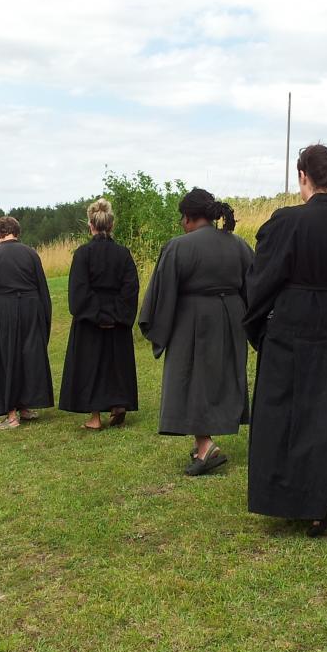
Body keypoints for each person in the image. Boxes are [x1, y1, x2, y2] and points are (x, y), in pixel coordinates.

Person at [244, 144, 327, 537]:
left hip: (290, 325)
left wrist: (258, 323)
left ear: (303, 177)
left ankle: (286, 497)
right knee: (323, 412)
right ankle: (319, 503)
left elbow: (262, 280)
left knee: (282, 411)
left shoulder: (285, 222)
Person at [138, 188, 254, 474]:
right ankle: (205, 441)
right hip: (232, 319)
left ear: (189, 217)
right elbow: (256, 287)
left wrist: (156, 327)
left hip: (194, 321)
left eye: (182, 218)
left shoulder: (179, 247)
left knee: (192, 381)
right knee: (221, 377)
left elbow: (162, 293)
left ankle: (205, 447)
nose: (181, 223)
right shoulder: (239, 245)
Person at [59, 199, 140, 429]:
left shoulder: (82, 254)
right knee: (116, 363)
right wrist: (114, 315)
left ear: (90, 226)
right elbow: (130, 288)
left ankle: (95, 417)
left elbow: (78, 291)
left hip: (90, 321)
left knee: (91, 365)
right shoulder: (123, 254)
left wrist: (98, 315)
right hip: (117, 319)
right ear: (111, 225)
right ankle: (118, 403)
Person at [0, 216, 54, 430]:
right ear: (17, 232)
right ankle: (25, 406)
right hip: (31, 307)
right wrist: (44, 316)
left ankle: (12, 415)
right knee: (29, 355)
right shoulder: (31, 253)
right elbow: (42, 288)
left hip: (3, 311)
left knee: (7, 358)